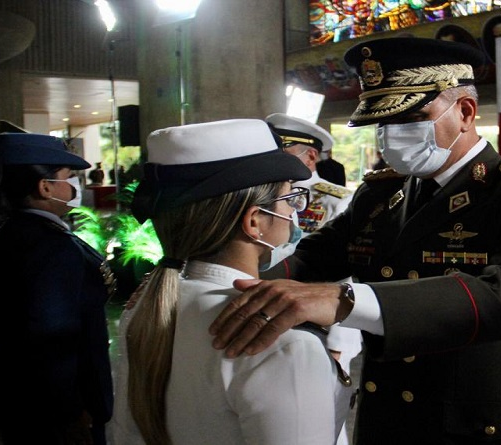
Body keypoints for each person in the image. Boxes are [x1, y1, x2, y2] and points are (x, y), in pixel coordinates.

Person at [210, 37, 501, 445]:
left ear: (465, 111)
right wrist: (215, 280)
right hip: (387, 414)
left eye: (410, 119)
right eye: (384, 124)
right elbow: (312, 258)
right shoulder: (380, 194)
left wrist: (344, 300)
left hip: (477, 422)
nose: (392, 136)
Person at [110, 119, 354, 445]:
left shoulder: (148, 304)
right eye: (288, 199)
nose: (294, 210)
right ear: (254, 222)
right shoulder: (283, 341)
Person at [0, 133, 114, 444]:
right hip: (56, 413)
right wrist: (75, 407)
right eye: (67, 178)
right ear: (45, 187)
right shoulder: (52, 247)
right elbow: (53, 341)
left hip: (19, 402)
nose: (72, 187)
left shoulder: (9, 233)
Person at [266, 113, 361, 445]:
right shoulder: (262, 193)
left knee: (320, 422)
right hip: (266, 313)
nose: (272, 153)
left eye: (282, 148)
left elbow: (348, 273)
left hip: (318, 326)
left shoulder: (335, 198)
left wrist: (339, 343)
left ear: (310, 155)